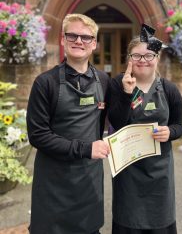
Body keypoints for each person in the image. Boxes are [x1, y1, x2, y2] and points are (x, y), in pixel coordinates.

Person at [26, 13, 110, 234]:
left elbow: (107, 123)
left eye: (85, 37)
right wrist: (86, 148)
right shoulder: (45, 83)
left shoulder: (103, 80)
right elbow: (38, 135)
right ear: (63, 39)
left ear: (95, 44)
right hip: (54, 180)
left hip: (88, 178)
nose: (78, 41)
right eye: (72, 35)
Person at [108, 24, 182, 234]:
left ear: (157, 58)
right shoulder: (116, 84)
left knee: (160, 222)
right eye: (137, 56)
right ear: (129, 58)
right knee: (129, 221)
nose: (143, 60)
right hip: (128, 171)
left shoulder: (169, 89)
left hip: (159, 171)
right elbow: (116, 122)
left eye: (149, 55)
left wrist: (171, 132)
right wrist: (126, 92)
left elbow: (179, 126)